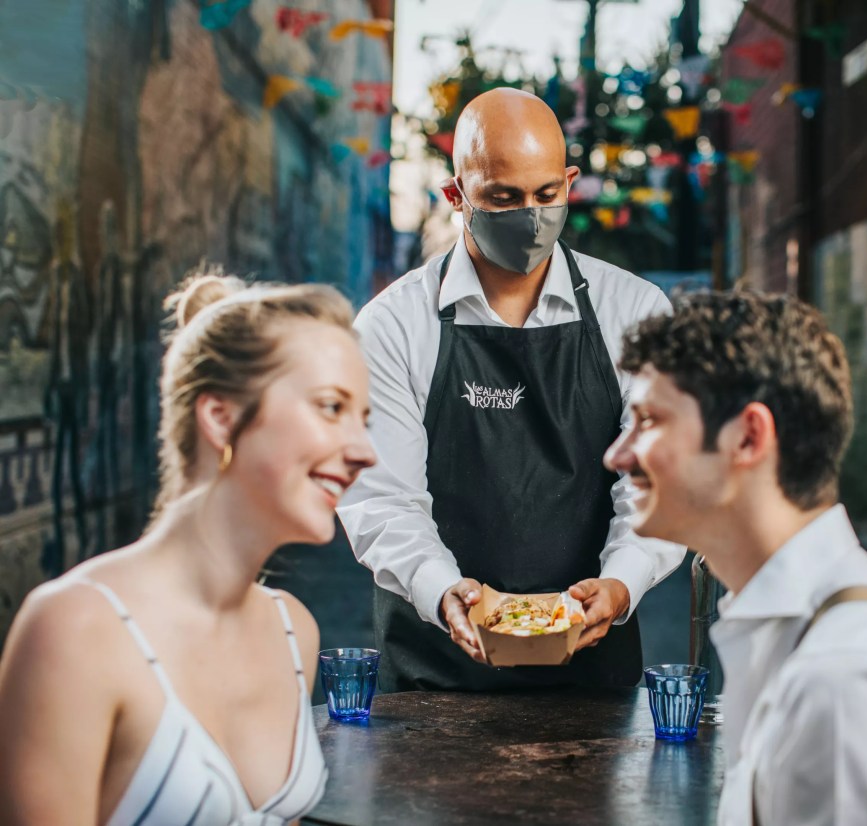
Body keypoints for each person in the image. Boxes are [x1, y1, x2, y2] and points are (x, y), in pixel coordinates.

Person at [604, 292, 867, 825]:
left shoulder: (842, 680)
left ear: (748, 437)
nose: (616, 455)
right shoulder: (803, 627)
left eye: (649, 421)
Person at [337, 87, 684, 691]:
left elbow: (656, 480)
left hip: (590, 670)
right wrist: (441, 590)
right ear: (456, 195)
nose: (531, 215)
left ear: (569, 182)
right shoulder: (393, 325)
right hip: (433, 673)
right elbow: (382, 499)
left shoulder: (636, 311)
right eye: (503, 198)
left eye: (546, 195)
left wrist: (623, 580)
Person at [0, 271, 377, 824]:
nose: (365, 451)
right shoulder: (75, 630)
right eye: (330, 407)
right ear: (221, 418)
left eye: (364, 420)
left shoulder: (293, 631)